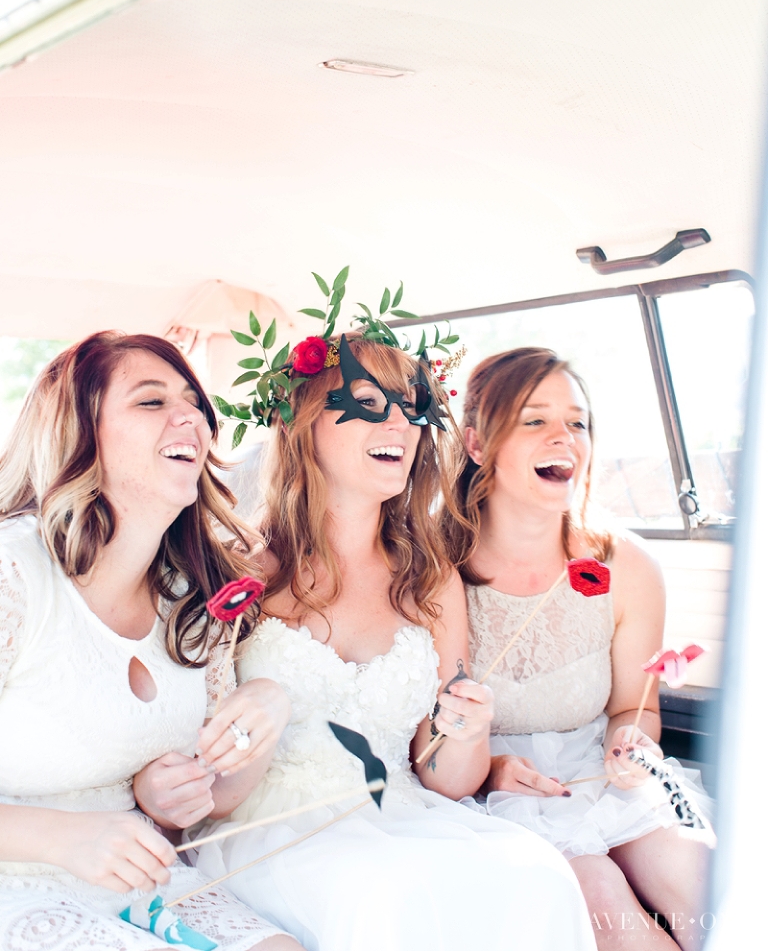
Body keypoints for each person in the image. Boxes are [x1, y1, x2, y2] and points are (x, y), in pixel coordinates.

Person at [192, 328, 596, 951]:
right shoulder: (244, 571)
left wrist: (466, 729)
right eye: (369, 405)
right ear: (303, 423)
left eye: (412, 411)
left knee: (541, 874)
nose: (401, 427)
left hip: (400, 813)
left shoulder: (429, 581)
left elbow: (445, 778)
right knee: (389, 892)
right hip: (268, 827)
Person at [0, 331, 301, 951]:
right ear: (79, 432)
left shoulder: (191, 597)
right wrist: (65, 838)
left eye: (192, 400)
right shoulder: (14, 575)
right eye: (151, 401)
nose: (190, 415)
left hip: (142, 880)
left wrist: (269, 706)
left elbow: (210, 801)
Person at [441, 347, 711, 951]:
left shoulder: (630, 566)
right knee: (595, 892)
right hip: (499, 796)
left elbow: (634, 709)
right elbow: (417, 736)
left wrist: (632, 740)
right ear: (478, 444)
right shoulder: (435, 571)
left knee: (701, 878)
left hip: (607, 775)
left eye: (578, 422)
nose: (564, 437)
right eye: (534, 420)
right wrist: (486, 771)